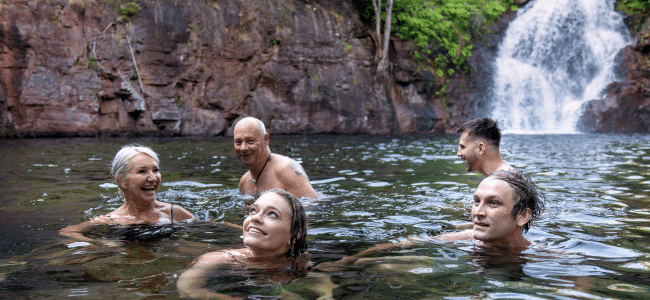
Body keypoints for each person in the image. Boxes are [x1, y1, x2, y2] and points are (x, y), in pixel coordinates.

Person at [326, 169, 545, 266]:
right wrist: (347, 261)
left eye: (493, 203)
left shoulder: (545, 258)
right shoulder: (465, 239)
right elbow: (408, 243)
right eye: (476, 201)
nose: (477, 212)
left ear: (523, 216)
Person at [177, 189, 322, 299]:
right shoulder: (220, 259)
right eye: (253, 210)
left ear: (295, 235)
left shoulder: (300, 259)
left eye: (272, 214)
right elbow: (187, 289)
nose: (256, 218)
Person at [60, 144, 196, 241]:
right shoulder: (111, 220)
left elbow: (208, 229)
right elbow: (68, 231)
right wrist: (99, 243)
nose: (153, 178)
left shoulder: (173, 212)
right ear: (122, 181)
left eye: (155, 170)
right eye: (142, 171)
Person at [233, 117, 317, 199]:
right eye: (238, 142)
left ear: (265, 139)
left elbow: (312, 205)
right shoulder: (244, 182)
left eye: (250, 141)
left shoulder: (287, 171)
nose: (243, 148)